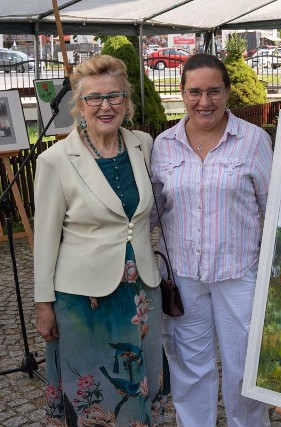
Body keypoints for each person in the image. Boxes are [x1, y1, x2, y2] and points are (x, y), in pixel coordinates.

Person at [33, 54, 164, 426]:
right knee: (91, 393)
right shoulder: (56, 160)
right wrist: (44, 304)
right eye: (94, 98)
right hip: (83, 302)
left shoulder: (143, 145)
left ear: (127, 100)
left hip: (140, 294)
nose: (105, 106)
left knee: (140, 385)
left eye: (114, 96)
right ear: (79, 105)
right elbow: (44, 240)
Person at [150, 53, 272, 427]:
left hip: (240, 273)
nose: (205, 101)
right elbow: (153, 211)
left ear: (228, 92)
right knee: (190, 368)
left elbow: (271, 208)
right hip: (184, 275)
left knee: (243, 369)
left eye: (214, 91)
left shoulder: (253, 141)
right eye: (195, 92)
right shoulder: (163, 144)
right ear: (182, 93)